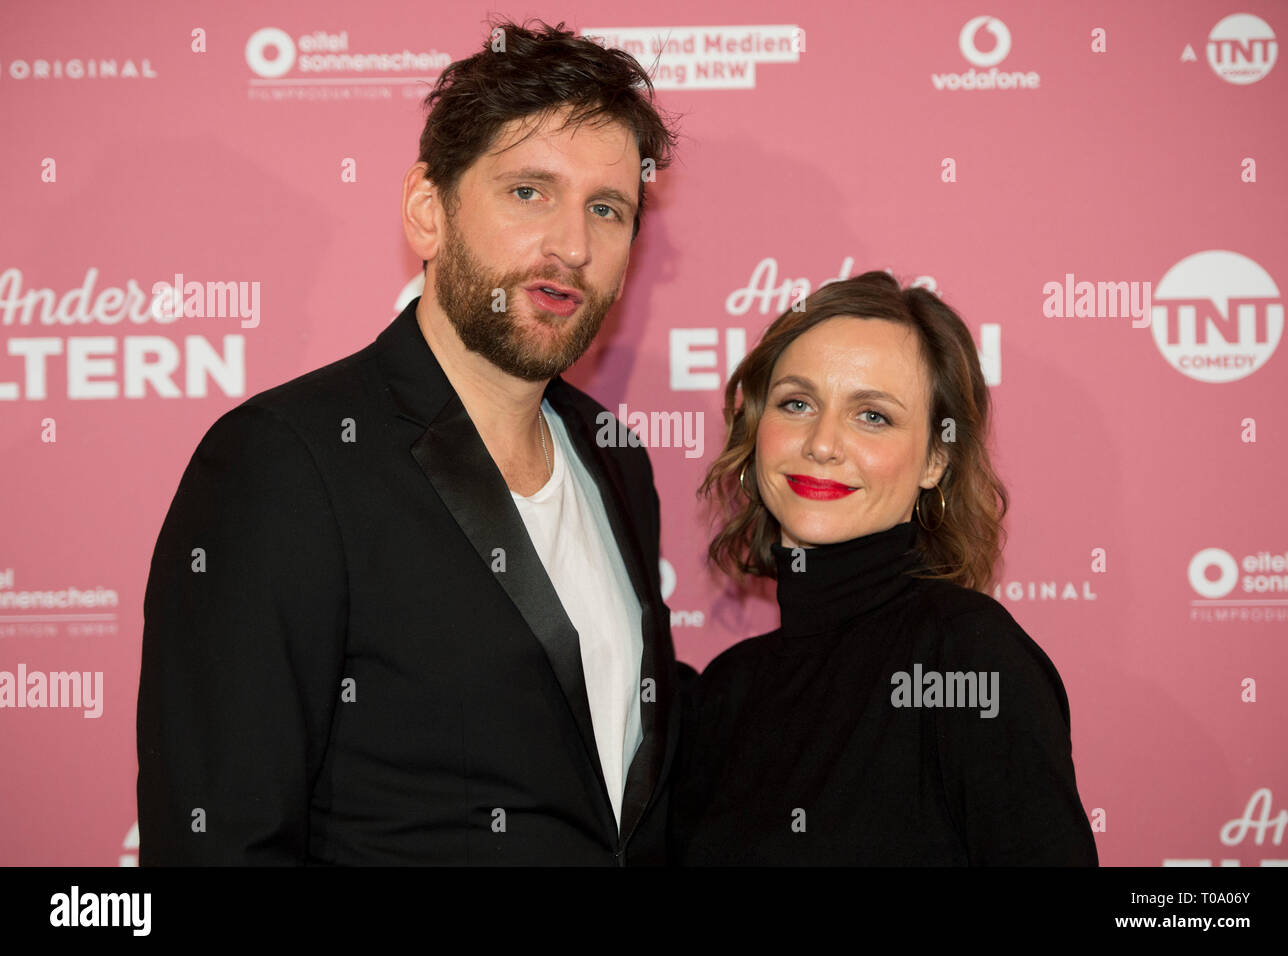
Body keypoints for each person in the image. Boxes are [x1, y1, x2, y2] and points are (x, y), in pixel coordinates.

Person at [137, 18, 686, 865]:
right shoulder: (283, 462)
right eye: (528, 191)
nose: (572, 246)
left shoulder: (615, 457)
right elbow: (221, 841)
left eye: (606, 209)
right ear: (428, 212)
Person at [670, 271, 1098, 865]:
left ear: (935, 461)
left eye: (872, 416)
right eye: (797, 403)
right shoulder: (725, 692)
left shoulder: (967, 654)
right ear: (755, 429)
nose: (822, 443)